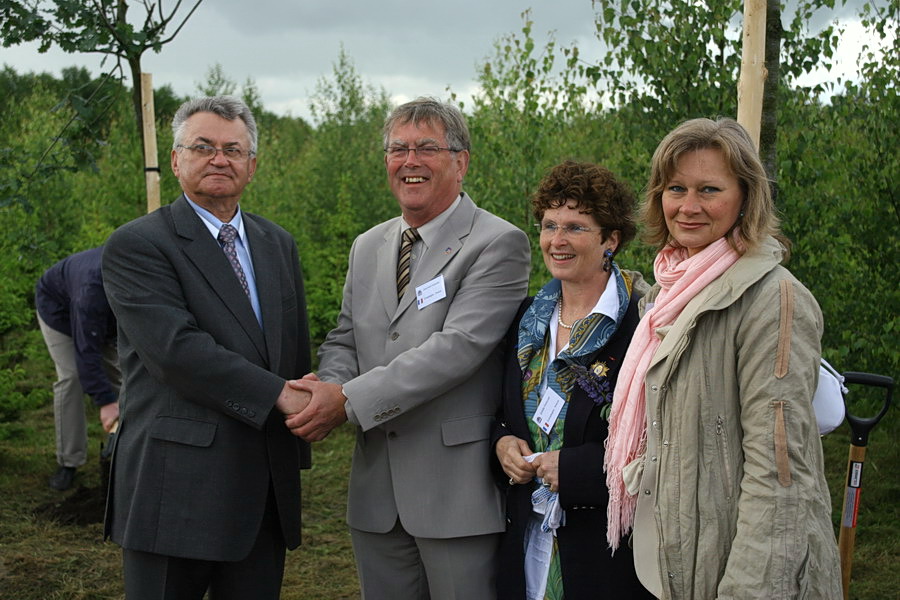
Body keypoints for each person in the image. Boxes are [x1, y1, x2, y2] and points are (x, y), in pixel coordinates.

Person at [285, 97, 531, 599]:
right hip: (376, 492)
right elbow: (345, 337)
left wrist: (347, 402)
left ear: (460, 161)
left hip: (455, 493)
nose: (409, 161)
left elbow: (457, 349)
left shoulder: (498, 243)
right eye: (398, 149)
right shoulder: (367, 245)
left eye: (426, 148)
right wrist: (327, 387)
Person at [604, 117, 842, 599]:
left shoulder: (771, 301)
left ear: (745, 198)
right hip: (675, 566)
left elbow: (779, 477)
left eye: (709, 189)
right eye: (676, 188)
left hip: (740, 573)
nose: (688, 207)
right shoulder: (668, 293)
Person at [101, 95, 312, 600]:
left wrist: (303, 424)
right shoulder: (139, 244)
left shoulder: (276, 243)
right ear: (176, 160)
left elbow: (293, 348)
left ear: (252, 165)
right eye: (203, 147)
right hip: (176, 490)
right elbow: (176, 351)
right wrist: (283, 397)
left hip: (264, 487)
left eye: (233, 150)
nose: (220, 159)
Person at [491, 161, 654, 600]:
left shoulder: (643, 325)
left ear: (611, 239)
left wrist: (577, 469)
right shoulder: (526, 318)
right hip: (527, 536)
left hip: (603, 551)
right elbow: (501, 413)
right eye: (549, 225)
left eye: (576, 227)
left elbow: (662, 443)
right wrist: (503, 442)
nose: (557, 241)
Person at [36, 246, 121, 491]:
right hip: (57, 310)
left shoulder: (145, 272)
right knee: (72, 378)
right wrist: (105, 402)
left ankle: (123, 452)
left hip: (102, 318)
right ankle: (69, 462)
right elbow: (87, 350)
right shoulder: (91, 291)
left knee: (123, 379)